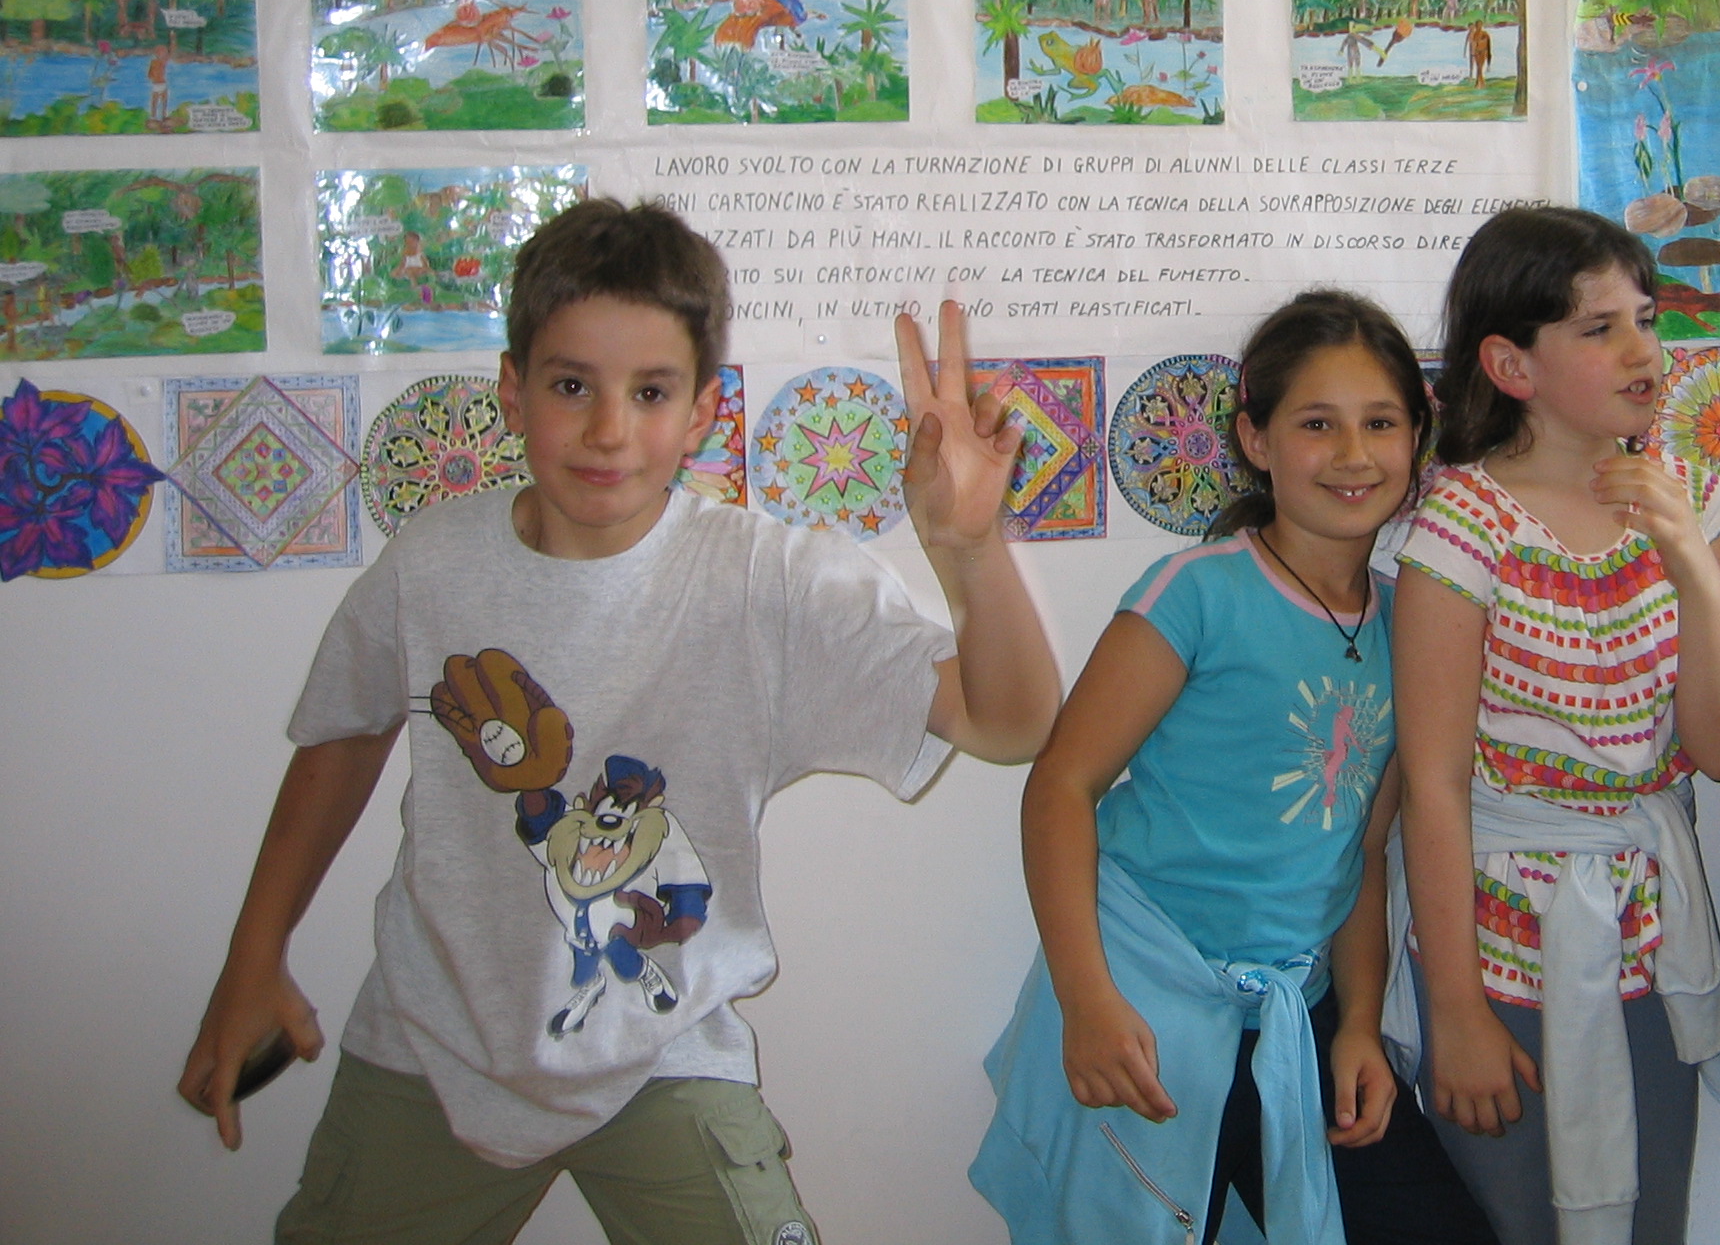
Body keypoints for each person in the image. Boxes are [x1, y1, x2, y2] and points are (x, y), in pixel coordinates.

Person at [177, 197, 1062, 1244]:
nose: (608, 430)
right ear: (512, 390)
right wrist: (252, 957)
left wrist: (966, 548)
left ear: (701, 412)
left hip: (664, 1052)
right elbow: (345, 737)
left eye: (649, 392)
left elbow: (1009, 723)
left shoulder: (766, 580)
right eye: (571, 386)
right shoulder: (432, 564)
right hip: (433, 1044)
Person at [976, 291, 1495, 1245]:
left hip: (1298, 1015)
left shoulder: (1408, 622)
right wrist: (1088, 1001)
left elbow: (1364, 852)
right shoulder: (1199, 591)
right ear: (1256, 439)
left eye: (1382, 423)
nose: (1353, 453)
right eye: (1317, 424)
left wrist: (1358, 1024)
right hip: (1140, 1005)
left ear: (1419, 440)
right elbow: (1060, 787)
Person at [1393, 206, 1720, 1245]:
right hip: (1498, 945)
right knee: (1511, 1218)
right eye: (1600, 329)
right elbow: (1432, 786)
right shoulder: (1463, 524)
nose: (1642, 349)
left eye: (1647, 319)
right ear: (1511, 364)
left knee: (1649, 1215)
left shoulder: (1699, 503)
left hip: (1651, 935)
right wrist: (1457, 1010)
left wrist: (1690, 560)